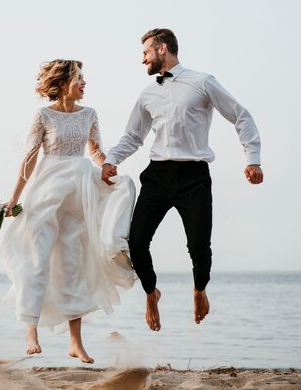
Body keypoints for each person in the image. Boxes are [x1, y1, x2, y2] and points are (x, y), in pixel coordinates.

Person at [102, 29, 263, 332]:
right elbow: (133, 136)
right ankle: (151, 293)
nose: (143, 59)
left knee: (199, 247)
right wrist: (112, 160)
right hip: (158, 176)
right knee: (136, 242)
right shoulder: (147, 94)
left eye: (146, 52)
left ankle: (199, 289)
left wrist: (252, 158)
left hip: (194, 177)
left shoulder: (202, 82)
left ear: (162, 49)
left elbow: (241, 115)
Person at [1, 59, 136, 363]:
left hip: (80, 194)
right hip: (47, 191)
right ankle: (31, 330)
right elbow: (30, 158)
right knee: (37, 259)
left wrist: (108, 168)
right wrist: (14, 198)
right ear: (63, 83)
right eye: (79, 78)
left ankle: (75, 342)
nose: (84, 83)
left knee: (73, 264)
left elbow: (96, 151)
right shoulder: (43, 115)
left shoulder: (90, 114)